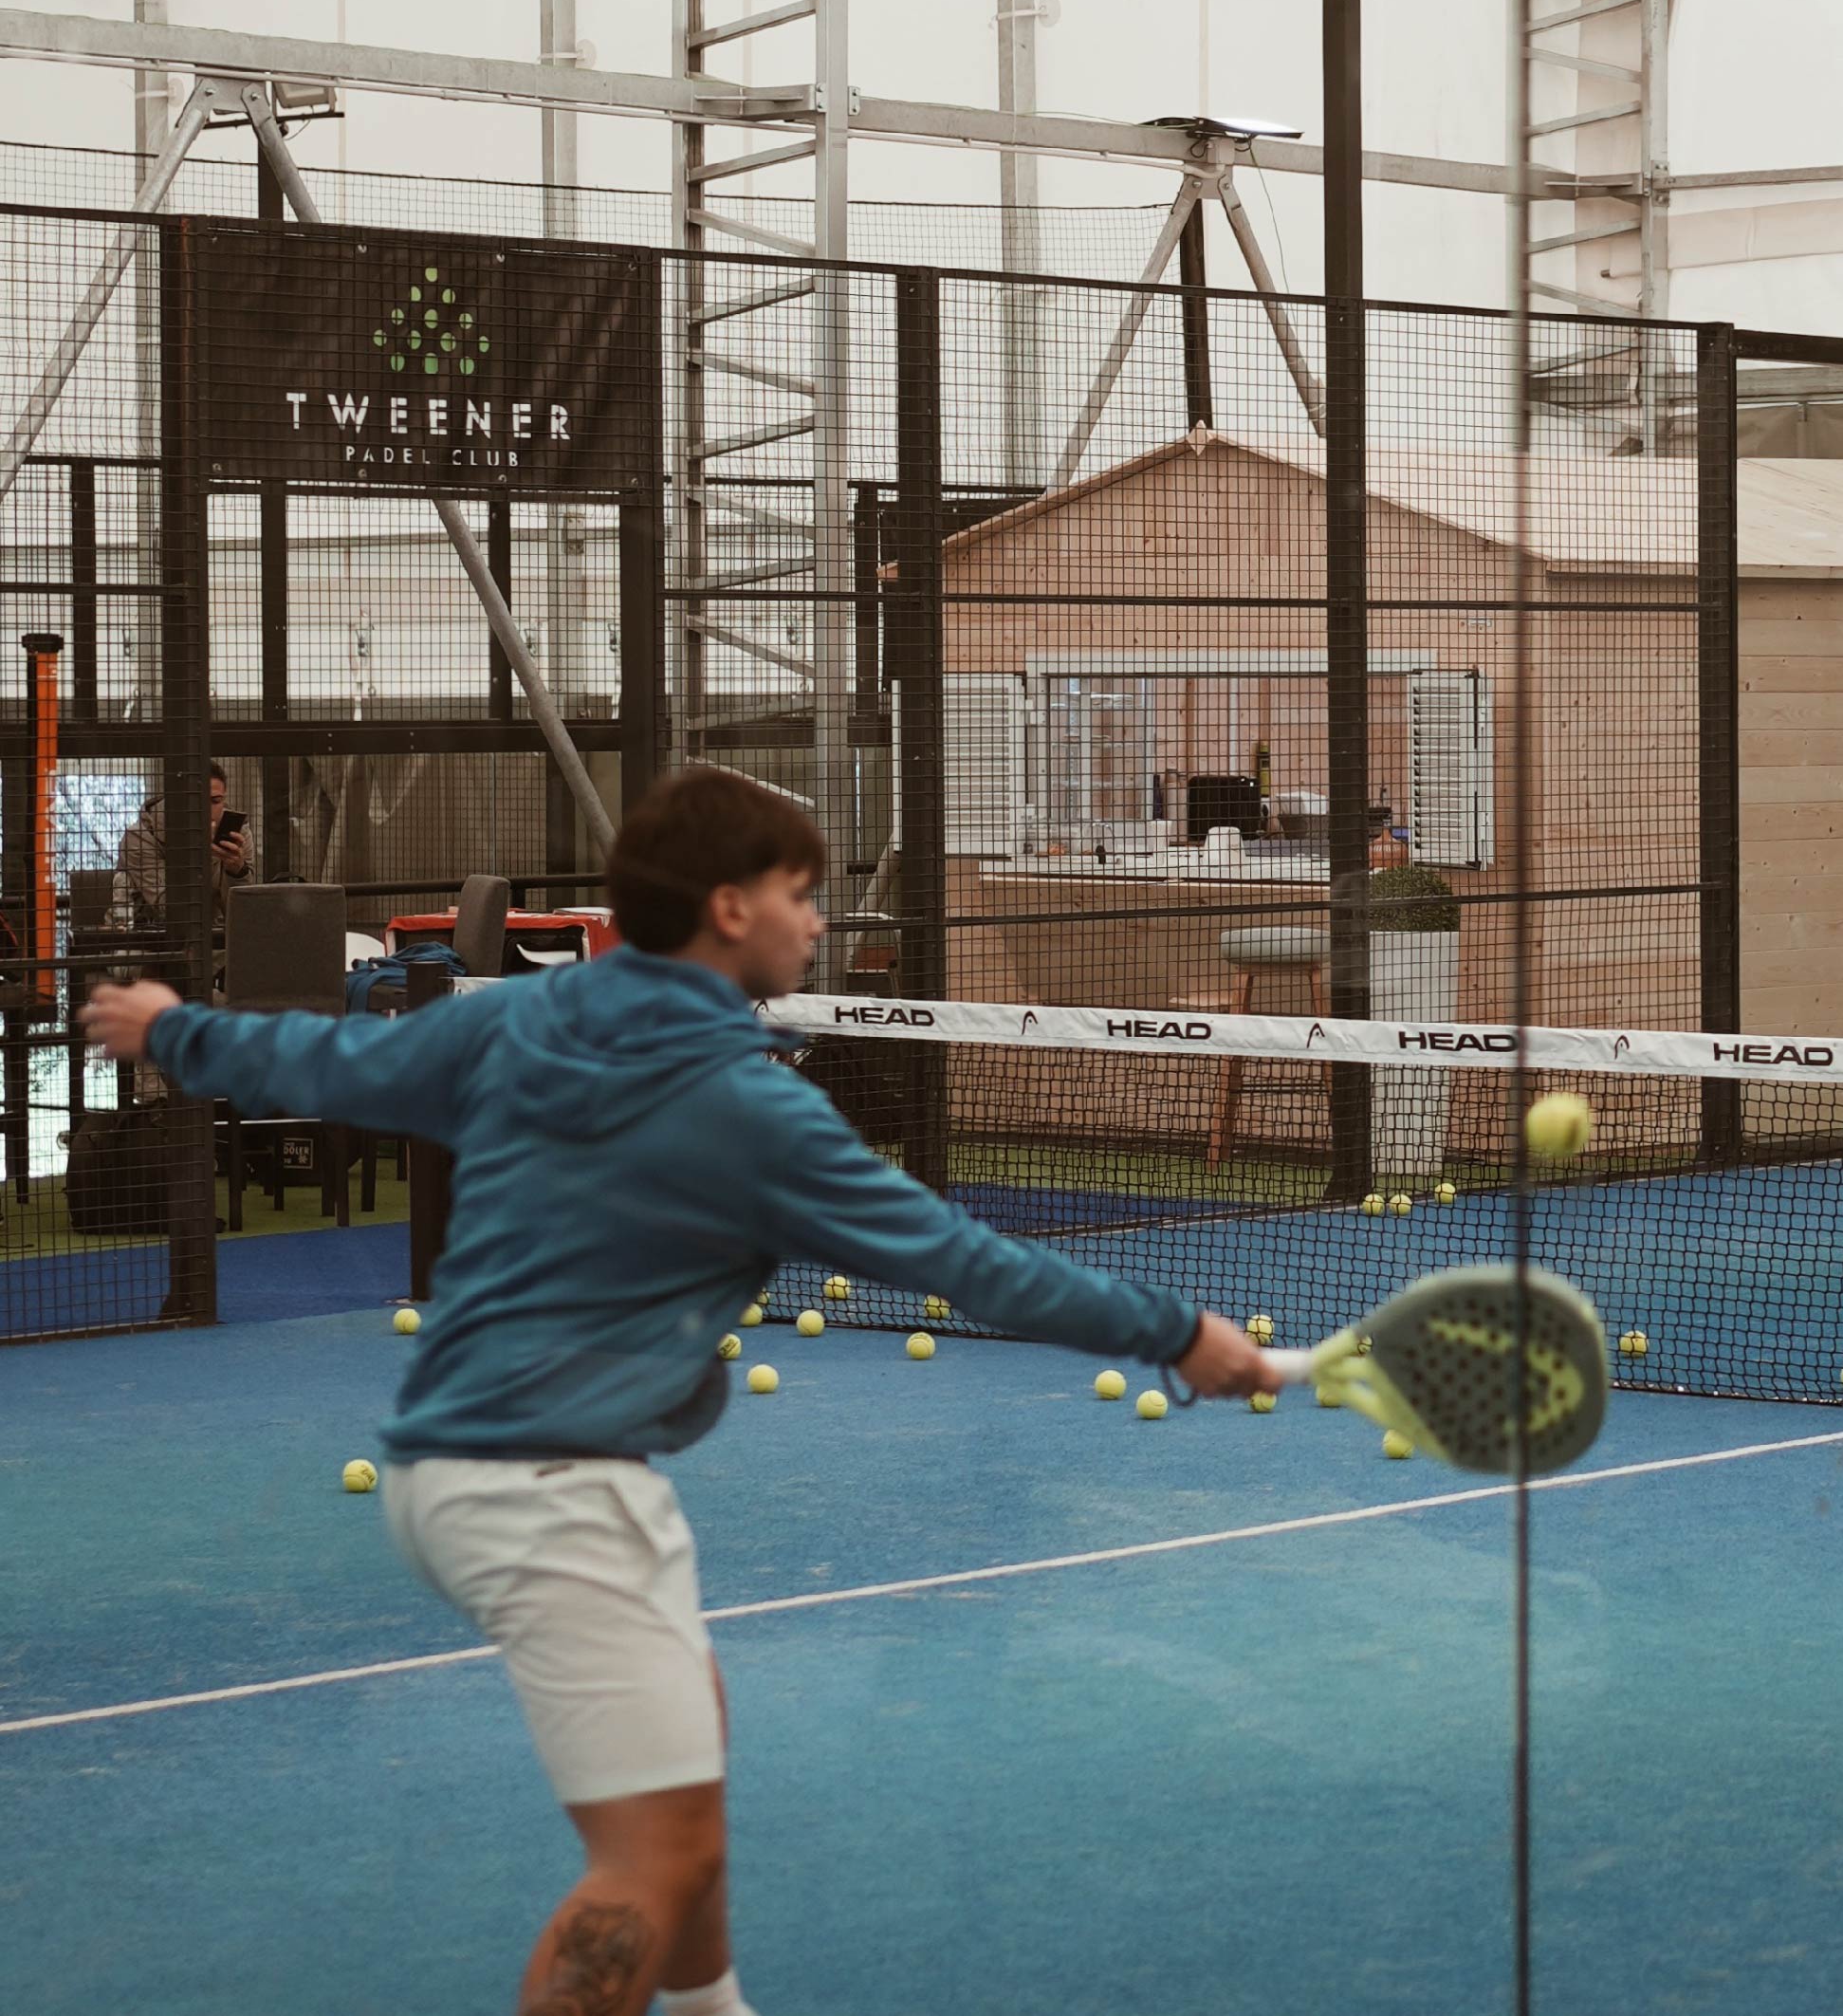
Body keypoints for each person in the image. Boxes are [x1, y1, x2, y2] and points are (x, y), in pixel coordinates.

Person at [83, 768, 1277, 2016]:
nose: (816, 919)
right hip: (545, 1488)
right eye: (799, 893)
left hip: (463, 1468)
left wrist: (173, 1028)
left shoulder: (520, 1019)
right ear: (729, 907)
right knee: (643, 1866)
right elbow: (965, 1262)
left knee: (687, 1772)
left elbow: (330, 1059)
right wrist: (1172, 1330)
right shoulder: (752, 1109)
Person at [113, 764, 251, 948]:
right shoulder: (140, 836)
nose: (206, 810)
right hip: (147, 939)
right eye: (196, 800)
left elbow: (243, 913)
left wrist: (237, 872)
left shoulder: (238, 833)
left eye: (216, 801)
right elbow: (171, 910)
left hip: (217, 938)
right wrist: (204, 854)